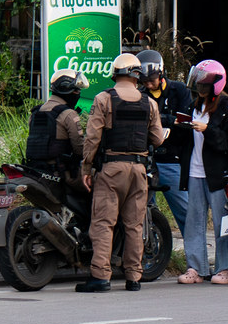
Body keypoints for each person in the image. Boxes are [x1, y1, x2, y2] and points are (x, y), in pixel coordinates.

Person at [77, 53, 166, 293]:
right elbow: (157, 139)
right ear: (137, 76)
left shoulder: (103, 99)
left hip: (111, 169)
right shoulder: (150, 103)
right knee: (134, 225)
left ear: (115, 74)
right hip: (138, 170)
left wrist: (86, 167)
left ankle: (100, 277)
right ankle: (134, 277)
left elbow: (92, 138)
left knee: (104, 223)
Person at [176, 59, 228, 285]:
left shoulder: (227, 107)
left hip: (217, 173)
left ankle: (225, 268)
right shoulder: (194, 106)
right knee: (193, 221)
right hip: (194, 171)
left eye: (203, 83)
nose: (199, 87)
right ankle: (196, 267)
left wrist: (207, 129)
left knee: (222, 222)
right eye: (198, 82)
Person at [136, 49, 192, 235]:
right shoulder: (140, 94)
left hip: (172, 159)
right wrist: (168, 120)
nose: (148, 84)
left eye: (151, 79)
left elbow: (185, 120)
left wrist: (160, 119)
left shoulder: (180, 90)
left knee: (184, 210)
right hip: (147, 158)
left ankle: (195, 258)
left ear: (161, 74)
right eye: (144, 82)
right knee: (143, 212)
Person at [24, 68, 89, 192]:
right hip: (62, 173)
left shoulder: (36, 112)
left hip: (36, 170)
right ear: (67, 89)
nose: (78, 92)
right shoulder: (68, 114)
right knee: (101, 181)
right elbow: (79, 148)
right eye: (76, 89)